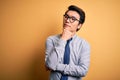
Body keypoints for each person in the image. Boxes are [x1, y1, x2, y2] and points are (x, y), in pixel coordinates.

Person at [45, 5, 90, 80]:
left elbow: (83, 71)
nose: (67, 20)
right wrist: (63, 39)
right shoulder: (51, 40)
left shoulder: (84, 44)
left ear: (79, 25)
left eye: (73, 19)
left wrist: (56, 66)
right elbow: (50, 64)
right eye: (66, 16)